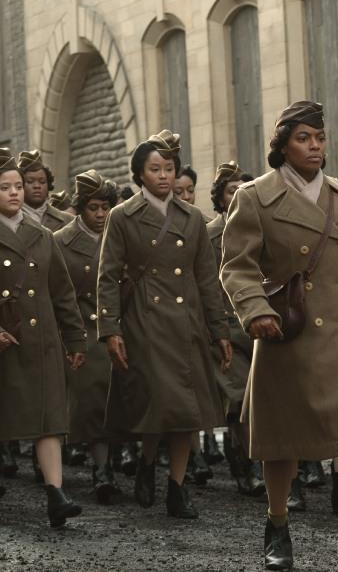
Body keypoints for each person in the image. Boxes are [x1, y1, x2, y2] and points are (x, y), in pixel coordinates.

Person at [220, 101, 338, 571]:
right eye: (304, 138)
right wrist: (255, 311)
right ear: (282, 145)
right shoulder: (254, 197)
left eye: (320, 139)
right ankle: (278, 527)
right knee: (282, 441)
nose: (315, 147)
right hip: (288, 332)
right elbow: (236, 266)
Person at [96, 129, 233, 520]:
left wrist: (219, 330)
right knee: (161, 403)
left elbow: (207, 278)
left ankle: (176, 486)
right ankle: (147, 459)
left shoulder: (193, 219)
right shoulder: (122, 217)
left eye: (169, 168)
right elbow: (107, 275)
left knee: (185, 411)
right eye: (154, 169)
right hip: (144, 321)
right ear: (139, 174)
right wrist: (111, 330)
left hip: (186, 322)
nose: (163, 176)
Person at [0, 150, 88, 527]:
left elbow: (62, 294)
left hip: (42, 341)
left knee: (49, 418)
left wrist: (76, 341)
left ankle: (56, 493)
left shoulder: (43, 236)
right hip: (6, 345)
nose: (14, 193)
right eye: (4, 188)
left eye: (18, 186)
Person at [55, 171, 122, 504]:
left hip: (122, 327)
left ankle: (131, 461)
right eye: (93, 208)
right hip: (86, 328)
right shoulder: (61, 241)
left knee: (129, 397)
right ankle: (102, 469)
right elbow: (59, 295)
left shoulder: (120, 234)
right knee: (95, 400)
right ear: (80, 209)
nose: (100, 214)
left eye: (105, 207)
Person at [206, 161, 266, 498]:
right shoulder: (209, 234)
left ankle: (258, 460)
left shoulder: (261, 228)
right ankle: (248, 464)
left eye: (246, 189)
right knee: (239, 400)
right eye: (232, 190)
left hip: (259, 325)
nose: (240, 195)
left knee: (264, 401)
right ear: (220, 197)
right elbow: (205, 283)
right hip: (226, 327)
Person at [18, 150, 72, 232]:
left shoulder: (69, 221)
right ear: (19, 185)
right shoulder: (9, 219)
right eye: (30, 181)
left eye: (42, 182)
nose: (37, 186)